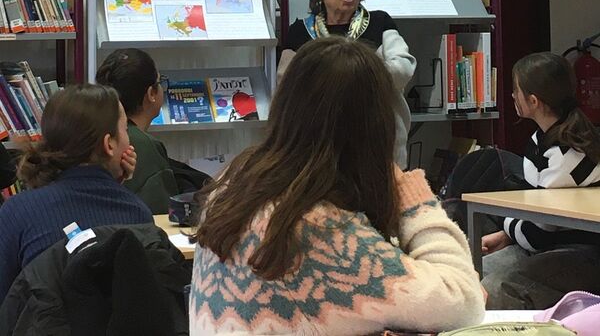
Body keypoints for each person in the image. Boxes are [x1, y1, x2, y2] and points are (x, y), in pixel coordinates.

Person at [189, 37, 484, 335]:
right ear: (377, 127)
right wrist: (414, 200)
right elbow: (463, 300)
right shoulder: (316, 227)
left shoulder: (230, 185)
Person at [0, 84, 153, 304]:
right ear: (109, 144)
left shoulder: (16, 212)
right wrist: (117, 187)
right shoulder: (137, 214)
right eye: (125, 131)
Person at [481, 52, 600, 309]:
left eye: (516, 90)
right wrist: (507, 233)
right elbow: (531, 216)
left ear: (533, 101)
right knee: (469, 274)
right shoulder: (540, 139)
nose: (512, 96)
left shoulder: (567, 153)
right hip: (546, 243)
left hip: (582, 252)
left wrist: (507, 227)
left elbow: (537, 235)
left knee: (495, 289)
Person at [279, 0, 416, 169]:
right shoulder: (300, 32)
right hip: (317, 146)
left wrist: (349, 74)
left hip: (375, 144)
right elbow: (286, 82)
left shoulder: (379, 23)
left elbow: (403, 68)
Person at [96, 48, 180, 214]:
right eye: (160, 82)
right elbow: (163, 214)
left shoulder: (94, 132)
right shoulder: (145, 146)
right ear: (151, 93)